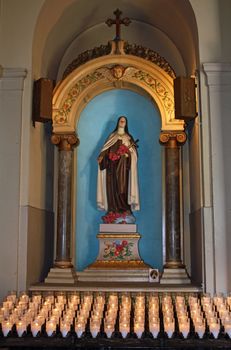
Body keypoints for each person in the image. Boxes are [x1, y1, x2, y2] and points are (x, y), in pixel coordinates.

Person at [97, 116, 140, 223]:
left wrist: (126, 155)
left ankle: (125, 210)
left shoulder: (128, 138)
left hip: (123, 171)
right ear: (118, 123)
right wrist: (105, 156)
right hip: (111, 170)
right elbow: (105, 151)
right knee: (112, 189)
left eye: (124, 120)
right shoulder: (112, 136)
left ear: (126, 123)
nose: (122, 121)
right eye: (121, 120)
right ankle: (112, 210)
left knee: (123, 189)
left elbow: (134, 155)